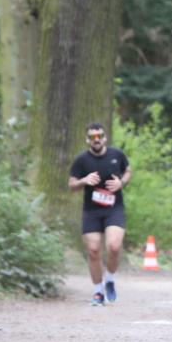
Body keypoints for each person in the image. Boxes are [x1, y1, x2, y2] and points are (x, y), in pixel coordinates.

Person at [68, 123, 132, 306]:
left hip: (114, 209)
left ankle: (110, 279)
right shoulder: (81, 160)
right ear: (87, 140)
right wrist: (84, 180)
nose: (96, 140)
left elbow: (128, 170)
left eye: (99, 136)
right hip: (91, 211)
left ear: (104, 138)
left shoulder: (116, 155)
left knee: (113, 246)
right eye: (92, 137)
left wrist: (121, 183)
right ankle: (98, 291)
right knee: (94, 250)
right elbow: (71, 185)